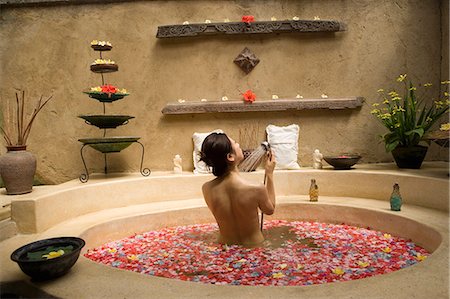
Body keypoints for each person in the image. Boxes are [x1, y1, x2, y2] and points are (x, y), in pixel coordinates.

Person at [200, 132, 276, 247]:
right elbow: (270, 210)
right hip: (254, 248)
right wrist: (269, 174)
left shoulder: (207, 189)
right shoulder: (255, 188)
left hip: (226, 250)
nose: (238, 144)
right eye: (235, 143)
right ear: (230, 157)